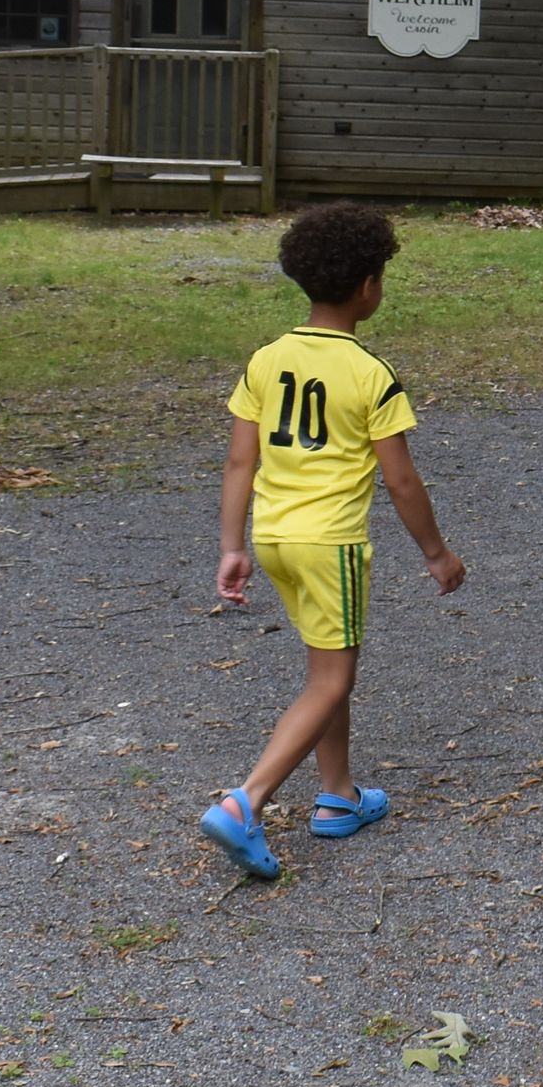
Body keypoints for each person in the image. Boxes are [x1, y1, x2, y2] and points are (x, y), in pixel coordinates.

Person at [198, 203, 464, 880]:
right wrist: (436, 552)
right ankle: (246, 803)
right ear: (368, 287)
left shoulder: (267, 359)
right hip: (331, 546)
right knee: (333, 677)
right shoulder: (368, 373)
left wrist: (234, 545)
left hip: (276, 539)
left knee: (326, 667)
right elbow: (401, 481)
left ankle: (339, 797)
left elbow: (239, 463)